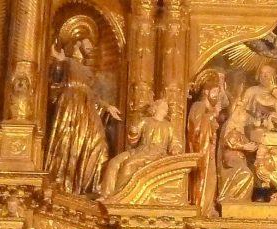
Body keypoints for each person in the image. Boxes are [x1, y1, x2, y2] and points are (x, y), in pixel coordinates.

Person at [45, 36, 122, 195]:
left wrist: (108, 107)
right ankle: (65, 183)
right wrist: (58, 60)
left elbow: (93, 95)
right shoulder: (66, 62)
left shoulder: (88, 72)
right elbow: (54, 81)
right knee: (69, 141)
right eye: (87, 44)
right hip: (71, 105)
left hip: (88, 108)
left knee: (100, 144)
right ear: (76, 44)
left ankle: (91, 186)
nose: (90, 48)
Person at [100, 98, 182, 196]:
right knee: (114, 162)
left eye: (166, 107)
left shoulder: (168, 126)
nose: (165, 109)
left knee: (128, 164)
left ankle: (120, 195)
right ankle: (106, 195)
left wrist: (175, 149)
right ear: (155, 108)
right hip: (140, 150)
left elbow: (175, 143)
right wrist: (133, 132)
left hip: (155, 153)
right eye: (163, 106)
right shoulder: (144, 121)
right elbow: (133, 142)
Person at [188, 75, 226, 216]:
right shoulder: (199, 106)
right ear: (206, 92)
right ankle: (202, 208)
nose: (216, 96)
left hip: (210, 149)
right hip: (202, 150)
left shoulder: (209, 109)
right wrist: (212, 115)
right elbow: (196, 127)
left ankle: (208, 207)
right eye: (215, 92)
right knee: (204, 178)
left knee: (212, 179)